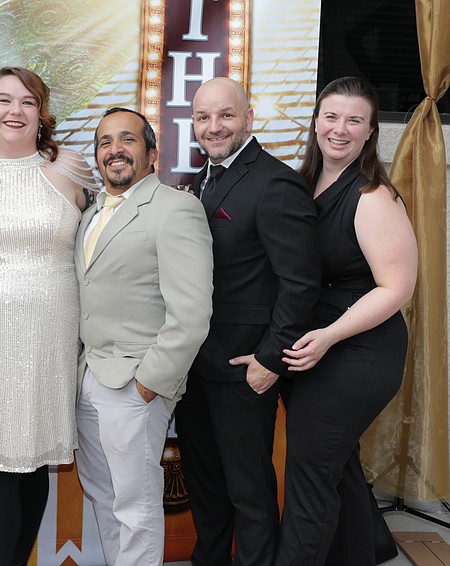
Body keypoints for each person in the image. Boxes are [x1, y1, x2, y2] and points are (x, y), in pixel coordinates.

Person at [0, 66, 97, 565]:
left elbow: (99, 249)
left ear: (42, 114)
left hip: (51, 335)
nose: (15, 111)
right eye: (4, 100)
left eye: (27, 101)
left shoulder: (71, 170)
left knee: (34, 465)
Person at [174, 76, 322, 566]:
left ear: (249, 119)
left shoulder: (275, 182)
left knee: (250, 495)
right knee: (207, 491)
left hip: (244, 370)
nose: (214, 127)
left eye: (225, 115)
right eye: (203, 117)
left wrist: (270, 360)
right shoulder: (202, 179)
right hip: (196, 367)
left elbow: (302, 283)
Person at [276, 76, 417, 565]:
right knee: (338, 463)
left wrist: (329, 336)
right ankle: (368, 548)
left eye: (354, 120)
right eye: (331, 116)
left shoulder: (373, 196)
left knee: (310, 472)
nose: (340, 128)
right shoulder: (302, 183)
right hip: (315, 345)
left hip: (358, 350)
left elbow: (396, 288)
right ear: (315, 121)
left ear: (370, 131)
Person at [75, 107, 214, 566]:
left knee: (135, 506)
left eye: (127, 140)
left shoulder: (177, 208)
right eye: (104, 142)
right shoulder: (92, 213)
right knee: (103, 495)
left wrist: (150, 383)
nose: (115, 149)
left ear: (152, 153)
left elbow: (192, 313)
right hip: (89, 380)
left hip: (136, 385)